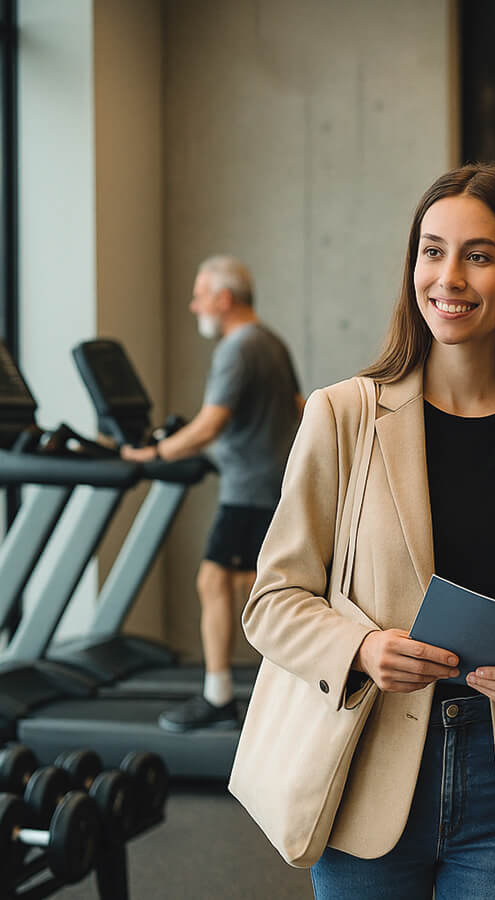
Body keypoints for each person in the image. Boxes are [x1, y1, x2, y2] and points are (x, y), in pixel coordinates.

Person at [241, 163, 495, 898]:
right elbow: (273, 600)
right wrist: (360, 647)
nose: (448, 277)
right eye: (432, 250)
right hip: (367, 770)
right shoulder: (343, 416)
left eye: (478, 256)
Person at [121, 255, 303, 732]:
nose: (192, 304)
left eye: (200, 294)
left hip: (248, 489)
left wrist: (155, 453)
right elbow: (298, 407)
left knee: (217, 582)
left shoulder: (236, 349)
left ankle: (220, 696)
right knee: (248, 583)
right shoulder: (272, 343)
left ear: (223, 300)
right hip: (271, 483)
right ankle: (277, 691)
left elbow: (209, 424)